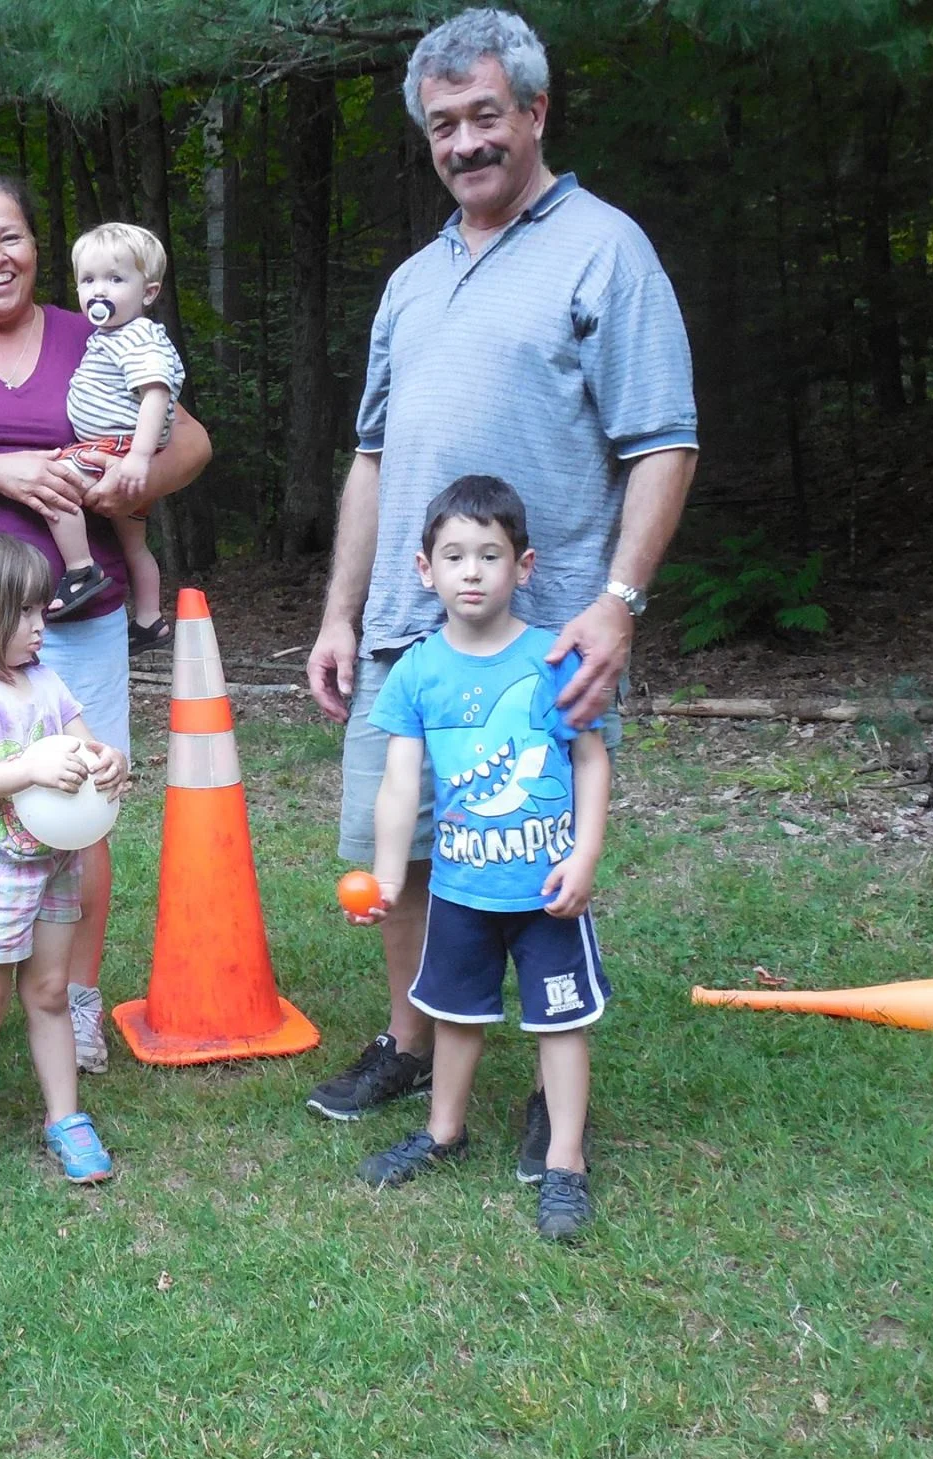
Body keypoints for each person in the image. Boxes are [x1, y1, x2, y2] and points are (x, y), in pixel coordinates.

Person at [304, 8, 696, 1180]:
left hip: (543, 640)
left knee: (531, 855)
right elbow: (372, 457)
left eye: (484, 115)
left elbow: (664, 443)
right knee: (412, 853)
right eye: (441, 125)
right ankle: (413, 1041)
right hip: (404, 635)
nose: (464, 142)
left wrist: (618, 600)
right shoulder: (413, 281)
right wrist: (339, 610)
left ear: (533, 112)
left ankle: (546, 1086)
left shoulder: (604, 250)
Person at [0, 170, 212, 1073]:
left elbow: (189, 443)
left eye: (12, 238)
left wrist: (129, 478)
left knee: (84, 799)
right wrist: (5, 470)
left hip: (76, 610)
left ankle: (72, 996)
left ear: (37, 247)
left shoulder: (94, 330)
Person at [348, 477, 608, 1241]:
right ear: (425, 570)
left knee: (560, 1026)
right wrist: (392, 877)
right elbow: (401, 786)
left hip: (546, 890)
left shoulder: (555, 659)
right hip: (460, 890)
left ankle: (565, 1163)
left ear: (521, 567)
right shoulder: (417, 671)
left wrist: (585, 856)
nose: (472, 571)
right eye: (454, 556)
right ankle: (442, 1134)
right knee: (454, 1016)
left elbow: (592, 762)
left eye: (489, 555)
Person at [0, 530, 130, 1188]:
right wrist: (29, 766)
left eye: (42, 610)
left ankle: (65, 1118)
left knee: (48, 993)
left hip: (54, 865)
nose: (43, 624)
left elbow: (86, 744)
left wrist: (108, 764)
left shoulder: (45, 680)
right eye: (27, 612)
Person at [45, 221, 185, 649]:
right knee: (134, 545)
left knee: (55, 485)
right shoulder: (110, 335)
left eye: (115, 279)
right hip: (117, 452)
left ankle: (81, 568)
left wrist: (140, 457)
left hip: (118, 449)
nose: (98, 291)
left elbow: (156, 393)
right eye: (88, 280)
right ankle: (149, 619)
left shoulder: (136, 336)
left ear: (148, 292)